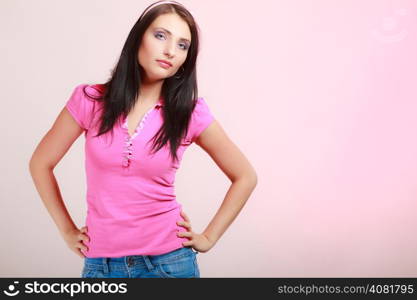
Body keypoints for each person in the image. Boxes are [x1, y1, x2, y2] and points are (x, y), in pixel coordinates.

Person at [29, 0, 257, 278]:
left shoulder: (189, 113)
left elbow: (245, 176)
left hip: (169, 265)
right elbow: (40, 163)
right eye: (161, 36)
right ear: (138, 38)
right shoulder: (90, 100)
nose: (170, 51)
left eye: (183, 45)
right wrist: (66, 230)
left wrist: (208, 238)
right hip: (101, 266)